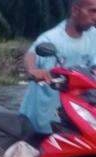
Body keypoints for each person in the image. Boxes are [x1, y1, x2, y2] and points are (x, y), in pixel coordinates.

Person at [20, 0, 96, 137]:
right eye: (92, 11)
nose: (95, 16)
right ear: (75, 10)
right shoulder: (52, 38)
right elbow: (31, 55)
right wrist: (33, 70)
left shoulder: (93, 36)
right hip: (40, 119)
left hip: (73, 116)